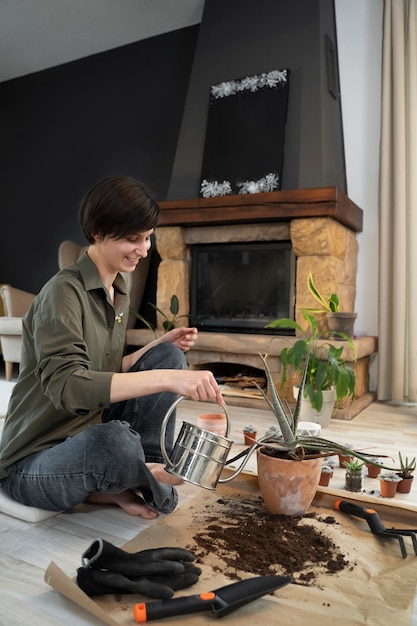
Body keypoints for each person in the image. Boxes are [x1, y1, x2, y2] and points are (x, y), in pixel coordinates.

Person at [0, 175, 223, 519]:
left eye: (148, 237)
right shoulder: (62, 294)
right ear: (98, 232)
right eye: (134, 239)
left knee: (168, 356)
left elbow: (106, 367)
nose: (145, 249)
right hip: (34, 462)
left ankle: (137, 468)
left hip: (85, 432)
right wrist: (169, 380)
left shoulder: (117, 289)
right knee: (114, 442)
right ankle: (130, 477)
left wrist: (158, 348)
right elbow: (71, 387)